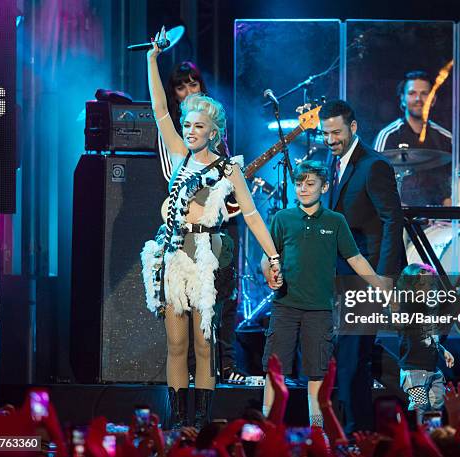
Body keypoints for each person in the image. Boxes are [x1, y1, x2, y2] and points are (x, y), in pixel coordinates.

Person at [141, 26, 281, 430]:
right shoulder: (180, 155)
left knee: (205, 344)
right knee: (176, 342)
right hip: (175, 253)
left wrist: (272, 256)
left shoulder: (227, 169)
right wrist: (152, 59)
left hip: (209, 256)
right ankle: (177, 418)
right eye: (188, 124)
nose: (190, 130)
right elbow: (159, 111)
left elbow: (252, 215)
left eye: (199, 126)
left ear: (213, 132)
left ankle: (200, 420)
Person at [260, 161, 389, 427]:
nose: (304, 189)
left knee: (316, 373)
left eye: (310, 184)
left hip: (320, 309)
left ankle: (317, 431)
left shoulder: (335, 221)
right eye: (299, 184)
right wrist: (269, 274)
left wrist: (378, 284)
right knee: (275, 371)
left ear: (325, 186)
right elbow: (267, 257)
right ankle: (267, 429)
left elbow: (354, 258)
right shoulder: (282, 218)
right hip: (285, 306)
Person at [157, 59, 244, 386]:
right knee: (182, 322)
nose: (188, 91)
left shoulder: (216, 137)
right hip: (185, 235)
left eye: (193, 84)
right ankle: (185, 394)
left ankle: (228, 363)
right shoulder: (177, 142)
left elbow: (232, 186)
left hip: (220, 228)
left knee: (224, 298)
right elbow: (175, 179)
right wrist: (151, 60)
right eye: (181, 86)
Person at [320, 99, 405, 433]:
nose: (330, 139)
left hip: (366, 275)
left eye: (336, 132)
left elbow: (392, 221)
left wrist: (384, 277)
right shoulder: (334, 164)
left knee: (354, 362)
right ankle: (352, 432)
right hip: (341, 275)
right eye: (325, 133)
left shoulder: (374, 166)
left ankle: (358, 434)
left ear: (353, 128)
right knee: (347, 360)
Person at [373, 70, 452, 206]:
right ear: (402, 99)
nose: (418, 99)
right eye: (412, 93)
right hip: (400, 217)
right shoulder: (388, 136)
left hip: (440, 219)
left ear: (433, 100)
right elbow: (374, 182)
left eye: (424, 94)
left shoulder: (446, 137)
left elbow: (454, 181)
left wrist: (449, 207)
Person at [392, 263, 454, 414]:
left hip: (432, 369)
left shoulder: (428, 309)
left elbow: (431, 337)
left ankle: (433, 435)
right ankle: (416, 434)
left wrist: (443, 351)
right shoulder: (405, 306)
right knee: (419, 406)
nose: (427, 288)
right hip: (414, 370)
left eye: (430, 284)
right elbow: (398, 323)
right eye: (422, 284)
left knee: (437, 403)